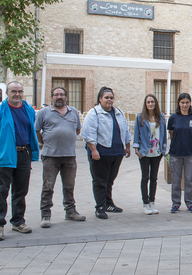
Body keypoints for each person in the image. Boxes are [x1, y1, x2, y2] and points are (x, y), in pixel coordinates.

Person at [0, 82, 39, 241]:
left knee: (20, 191)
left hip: (23, 155)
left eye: (20, 91)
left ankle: (18, 221)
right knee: (0, 192)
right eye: (13, 91)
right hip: (4, 157)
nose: (17, 94)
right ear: (7, 92)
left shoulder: (28, 109)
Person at [35, 86, 86, 228]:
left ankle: (70, 211)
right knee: (48, 187)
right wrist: (45, 142)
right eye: (56, 94)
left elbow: (77, 130)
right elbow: (37, 130)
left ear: (66, 97)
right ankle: (45, 214)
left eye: (62, 94)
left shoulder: (73, 112)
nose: (59, 97)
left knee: (69, 186)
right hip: (50, 156)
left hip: (69, 156)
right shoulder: (44, 112)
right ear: (51, 97)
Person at [82, 86, 131, 219]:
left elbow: (125, 130)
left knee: (110, 180)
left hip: (116, 153)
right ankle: (100, 207)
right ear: (100, 99)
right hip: (100, 153)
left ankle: (109, 203)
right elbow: (88, 133)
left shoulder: (118, 112)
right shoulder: (94, 113)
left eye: (111, 98)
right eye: (106, 98)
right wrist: (93, 150)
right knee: (100, 181)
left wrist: (127, 145)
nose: (109, 100)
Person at [167, 93, 192, 213]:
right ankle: (175, 203)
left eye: (187, 102)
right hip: (176, 153)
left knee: (189, 179)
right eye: (182, 102)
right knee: (175, 180)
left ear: (190, 103)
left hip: (190, 153)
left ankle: (190, 203)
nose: (185, 105)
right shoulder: (173, 118)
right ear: (179, 103)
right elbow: (172, 134)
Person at [133, 94, 167, 215]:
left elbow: (163, 135)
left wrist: (164, 148)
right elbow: (136, 134)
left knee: (154, 178)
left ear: (155, 103)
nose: (150, 104)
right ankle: (145, 203)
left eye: (152, 102)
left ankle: (152, 202)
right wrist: (136, 149)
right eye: (148, 102)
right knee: (145, 177)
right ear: (145, 104)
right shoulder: (140, 118)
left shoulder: (161, 117)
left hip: (157, 153)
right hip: (145, 152)